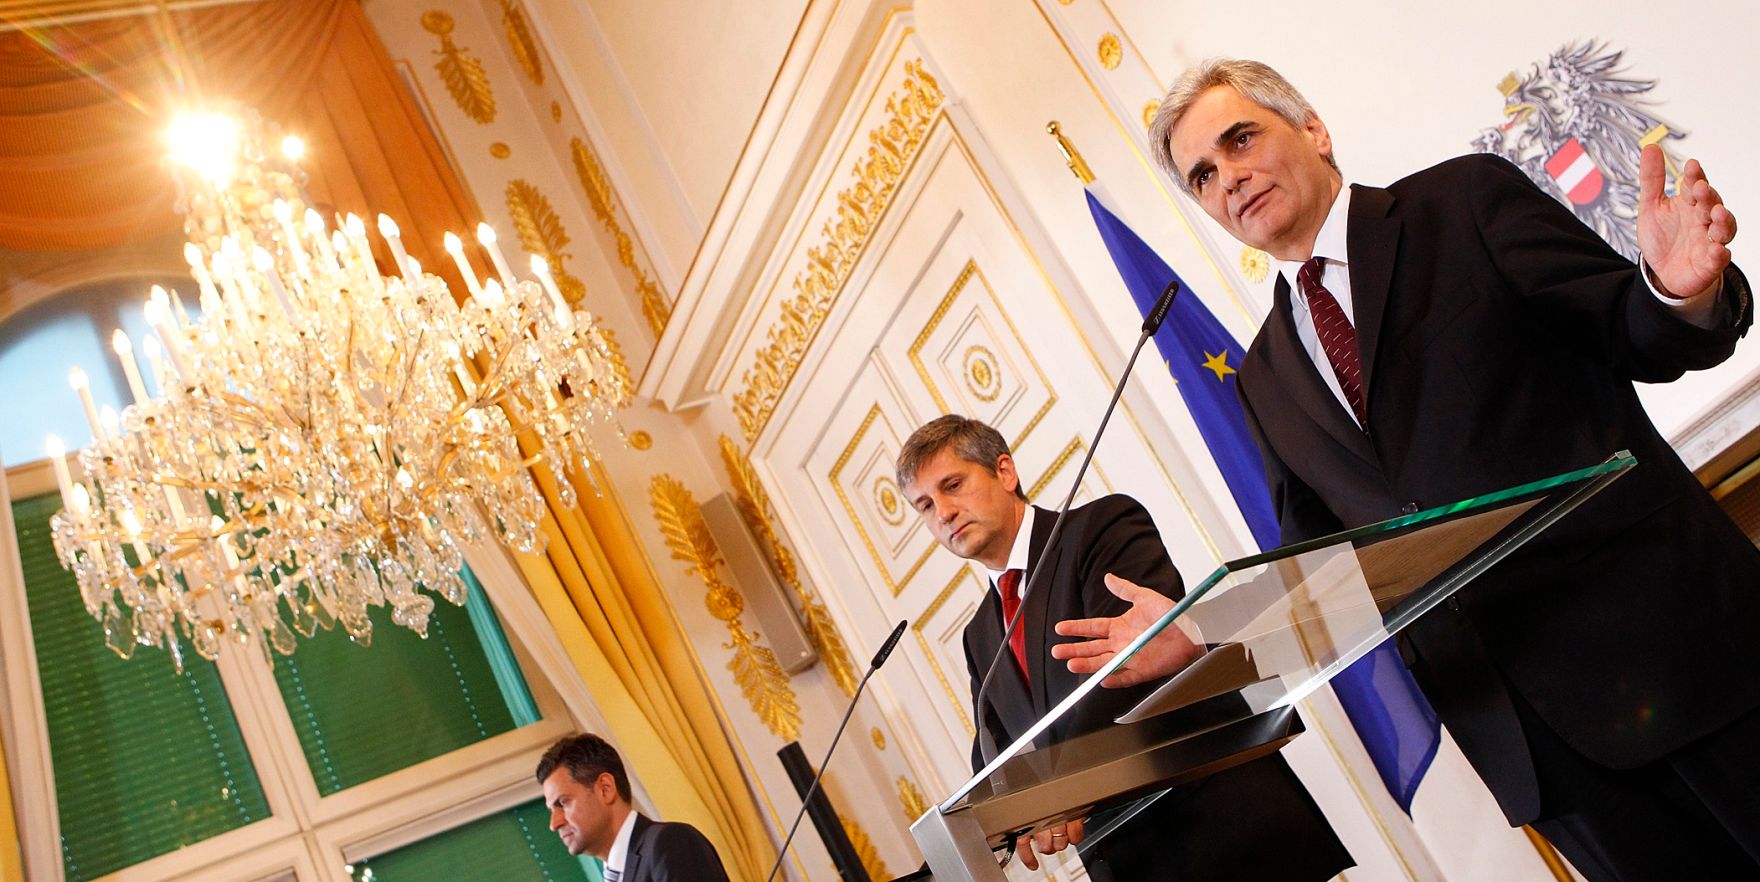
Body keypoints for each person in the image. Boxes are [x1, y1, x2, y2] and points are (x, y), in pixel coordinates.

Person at [1057, 58, 1760, 880]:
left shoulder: (1460, 202)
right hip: (1541, 750)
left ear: (1313, 130)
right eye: (1203, 175)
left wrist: (1677, 294)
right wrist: (1206, 635)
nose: (1229, 180)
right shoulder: (1265, 377)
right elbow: (1321, 580)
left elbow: (1628, 328)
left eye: (1240, 139)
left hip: (1685, 656)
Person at [897, 414, 1352, 881]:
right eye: (925, 506)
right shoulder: (979, 636)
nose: (944, 513)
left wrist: (1058, 795)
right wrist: (942, 859)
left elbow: (1126, 676)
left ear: (1005, 472)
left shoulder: (1100, 527)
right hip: (1125, 863)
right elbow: (996, 759)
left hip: (1225, 835)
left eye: (953, 485)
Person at [537, 733, 731, 882]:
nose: (554, 823)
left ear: (606, 789)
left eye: (563, 803)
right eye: (551, 810)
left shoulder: (668, 843)